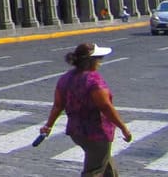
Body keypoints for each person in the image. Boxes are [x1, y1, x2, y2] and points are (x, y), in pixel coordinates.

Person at [40, 43, 133, 177]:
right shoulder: (94, 81)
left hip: (76, 131)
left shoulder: (65, 78)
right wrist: (124, 128)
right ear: (91, 61)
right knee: (94, 171)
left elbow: (58, 105)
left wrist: (48, 125)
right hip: (97, 133)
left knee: (106, 166)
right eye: (99, 58)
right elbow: (106, 107)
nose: (100, 62)